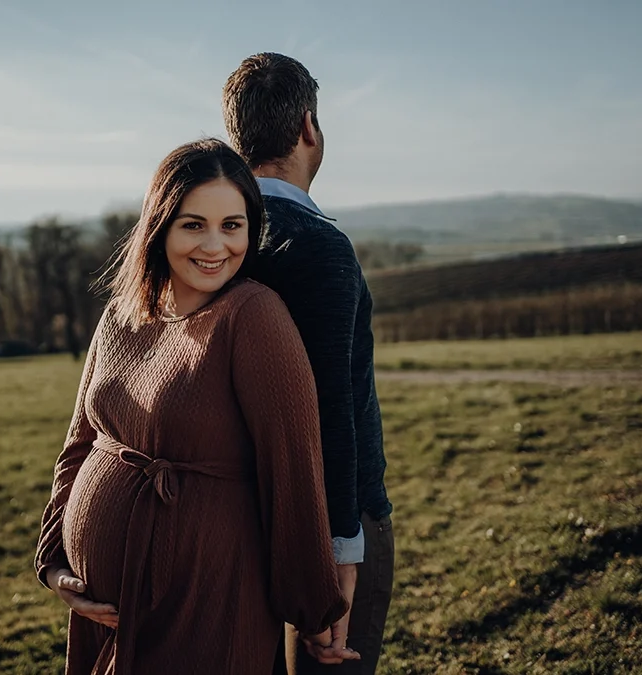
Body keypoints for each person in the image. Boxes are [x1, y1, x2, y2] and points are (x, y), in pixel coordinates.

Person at [33, 138, 351, 675]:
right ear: (159, 226)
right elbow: (80, 443)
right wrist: (56, 562)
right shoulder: (122, 314)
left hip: (206, 602)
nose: (214, 245)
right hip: (101, 612)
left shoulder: (252, 317)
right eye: (193, 224)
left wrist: (313, 609)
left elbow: (293, 467)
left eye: (232, 225)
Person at [221, 53, 395, 674]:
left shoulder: (210, 245)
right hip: (333, 521)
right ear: (309, 128)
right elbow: (331, 405)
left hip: (232, 519)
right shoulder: (319, 246)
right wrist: (343, 550)